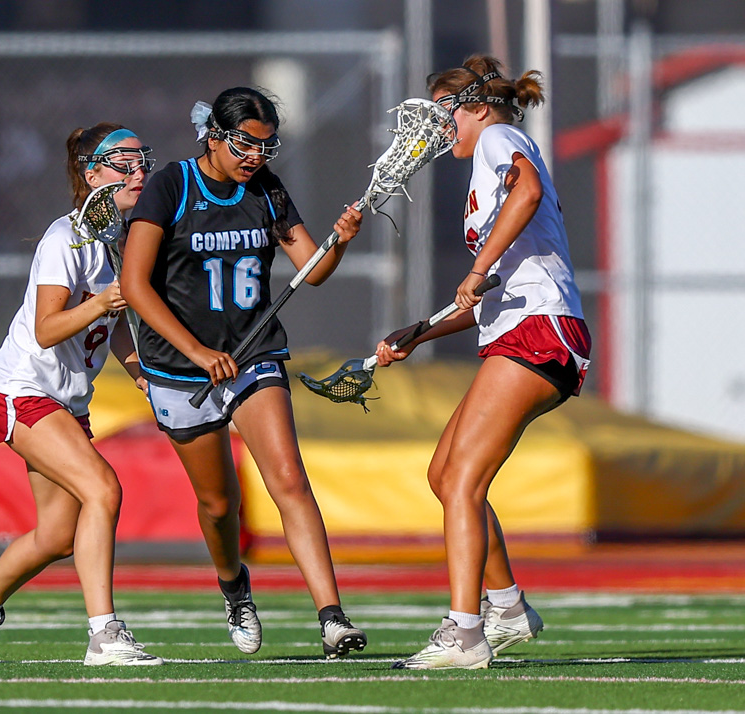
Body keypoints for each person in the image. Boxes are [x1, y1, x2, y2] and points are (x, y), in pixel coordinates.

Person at [120, 87, 368, 659]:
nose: (256, 156)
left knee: (289, 479)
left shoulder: (266, 189)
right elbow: (134, 286)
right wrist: (198, 352)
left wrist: (340, 242)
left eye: (266, 145)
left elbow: (313, 269)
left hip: (254, 354)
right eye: (245, 144)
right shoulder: (171, 186)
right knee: (218, 505)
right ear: (213, 136)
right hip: (180, 368)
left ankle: (332, 618)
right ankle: (234, 587)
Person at [377, 56, 592, 670]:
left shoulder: (498, 138)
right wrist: (421, 333)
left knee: (464, 481)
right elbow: (494, 291)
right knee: (445, 476)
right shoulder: (486, 166)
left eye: (443, 113)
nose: (436, 127)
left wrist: (475, 269)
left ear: (475, 107)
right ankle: (506, 605)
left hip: (540, 330)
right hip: (519, 328)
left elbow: (527, 193)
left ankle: (465, 632)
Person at [0, 122, 163, 666]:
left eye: (142, 161)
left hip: (66, 400)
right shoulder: (65, 238)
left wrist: (142, 376)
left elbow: (113, 326)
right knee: (104, 490)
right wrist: (103, 301)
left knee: (58, 535)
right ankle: (104, 634)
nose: (139, 172)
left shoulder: (119, 239)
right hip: (24, 389)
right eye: (125, 163)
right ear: (93, 174)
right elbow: (46, 329)